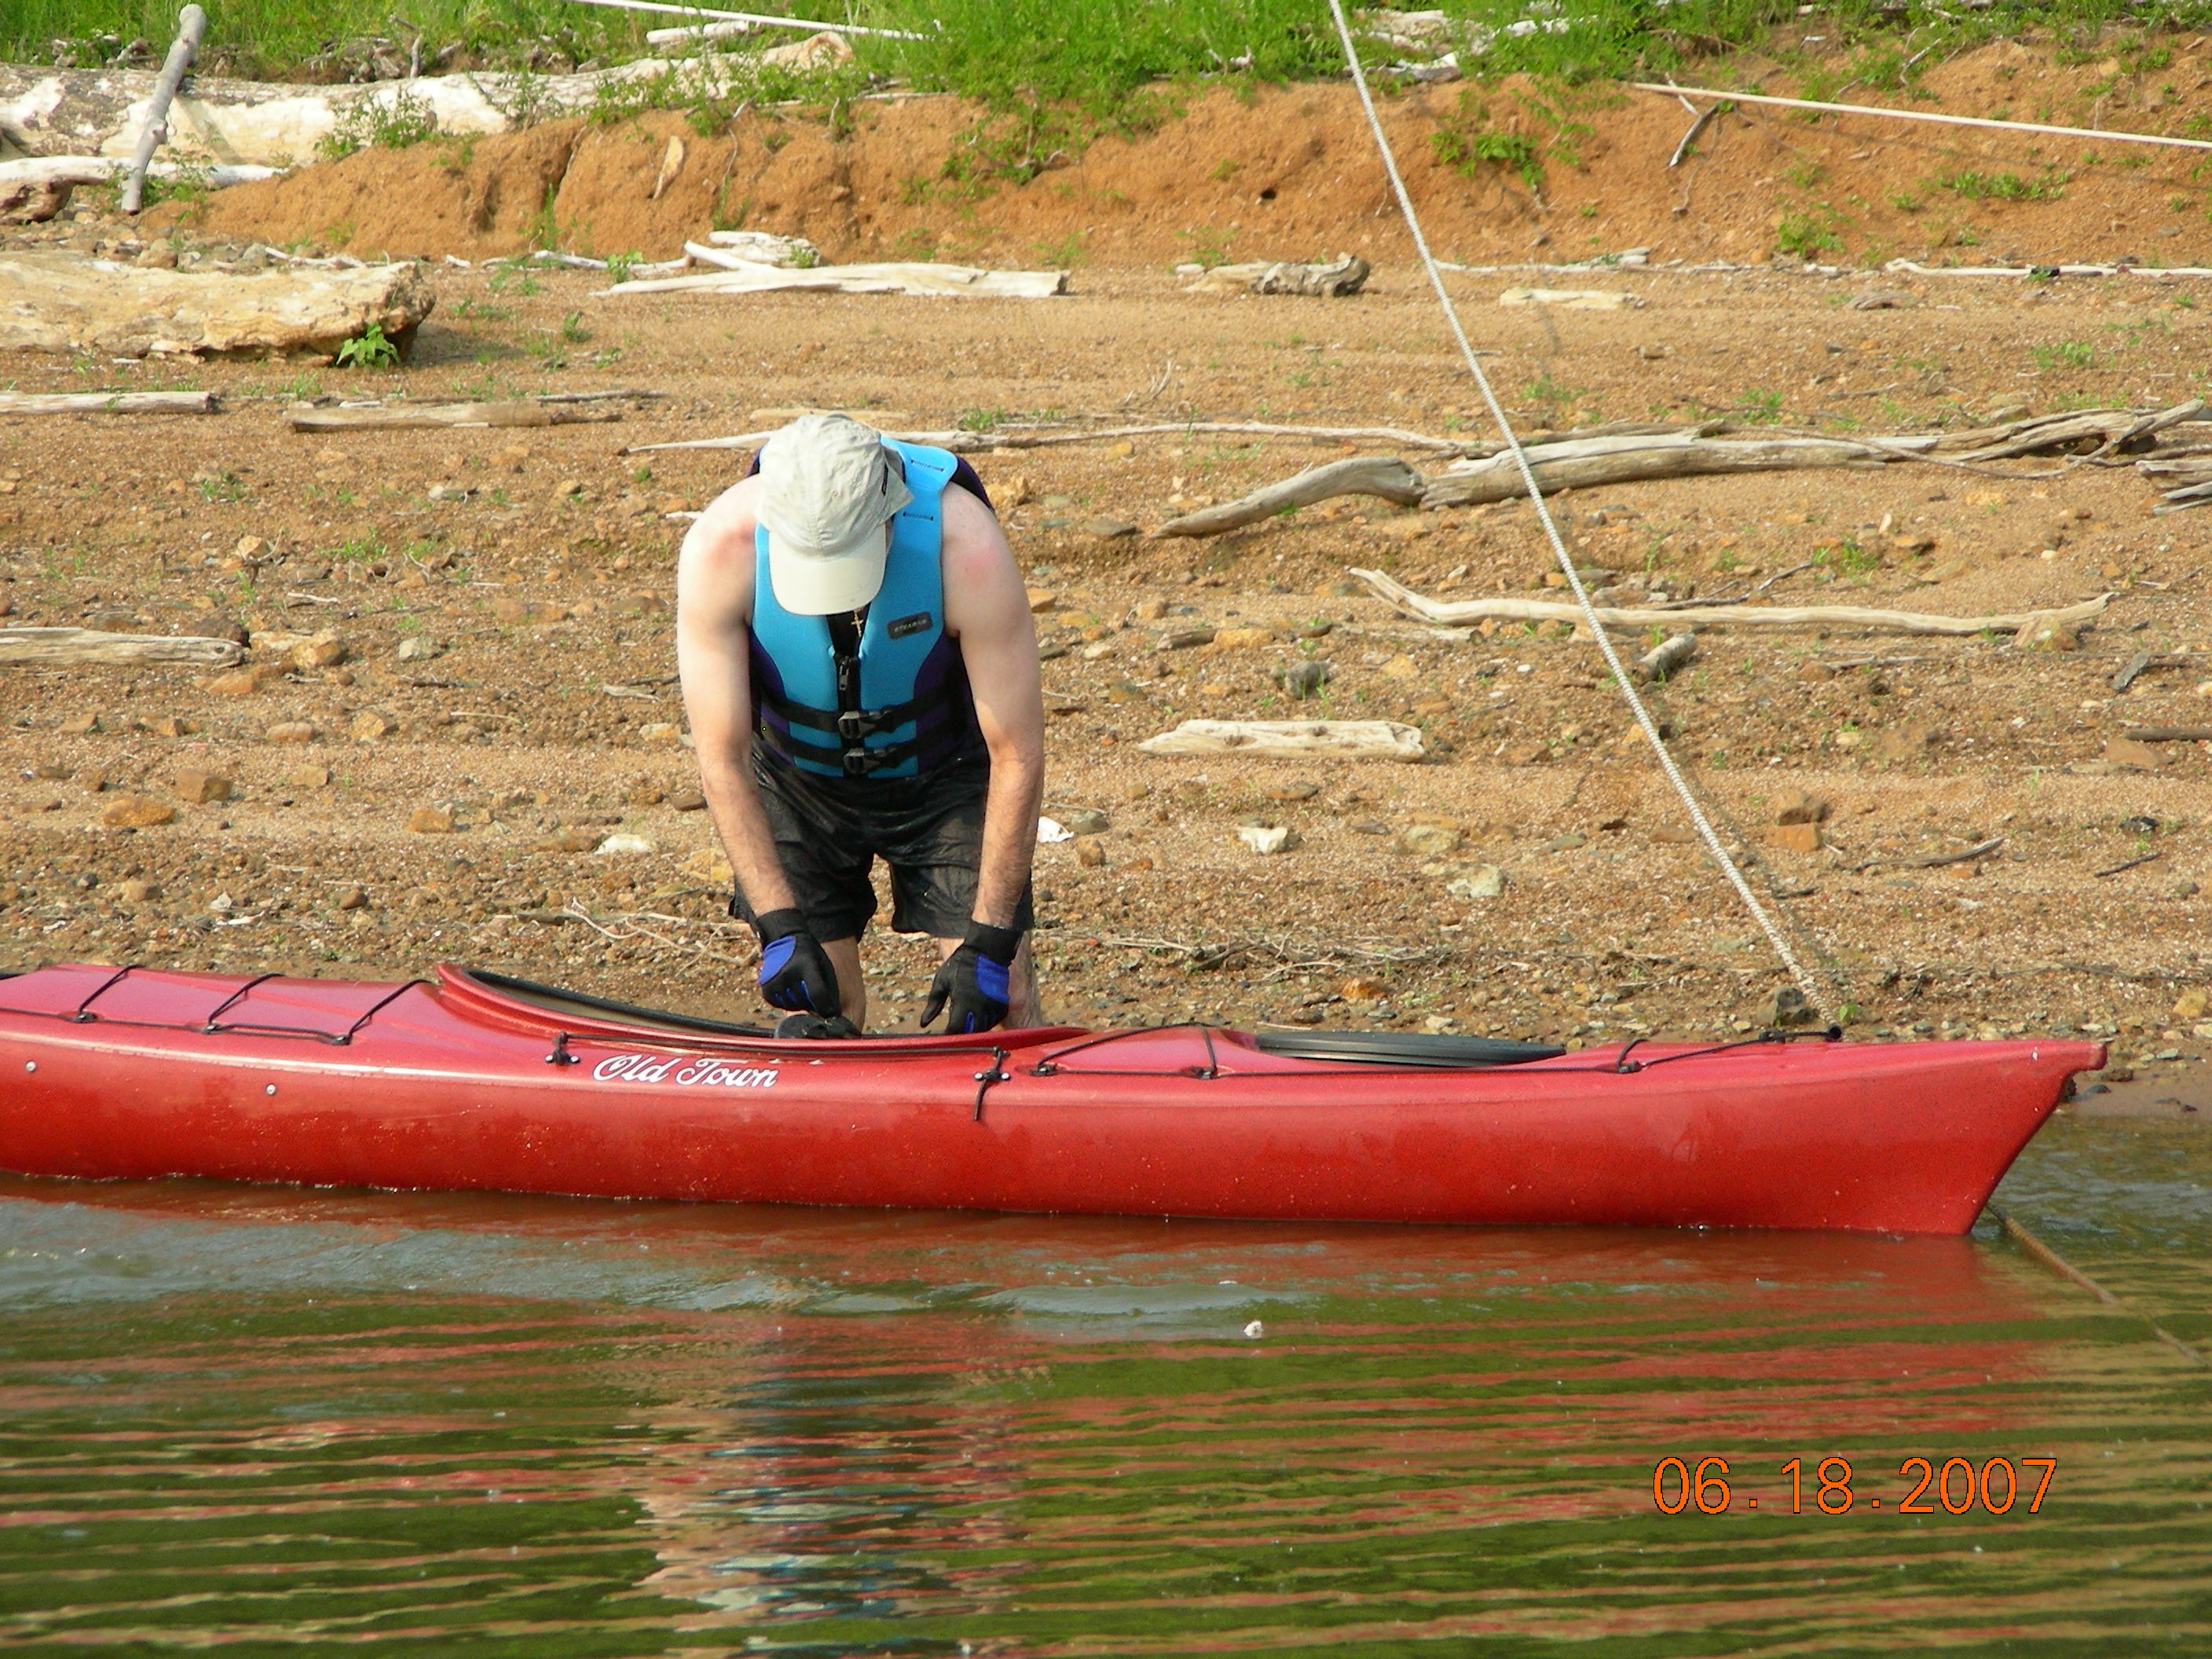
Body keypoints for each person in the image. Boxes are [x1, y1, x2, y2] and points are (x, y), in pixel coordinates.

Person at [676, 414, 1046, 1034]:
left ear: (890, 511)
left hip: (945, 774)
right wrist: (779, 926)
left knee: (1001, 996)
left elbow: (1017, 753)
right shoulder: (720, 550)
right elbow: (722, 756)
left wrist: (990, 939)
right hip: (798, 781)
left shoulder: (966, 549)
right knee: (818, 998)